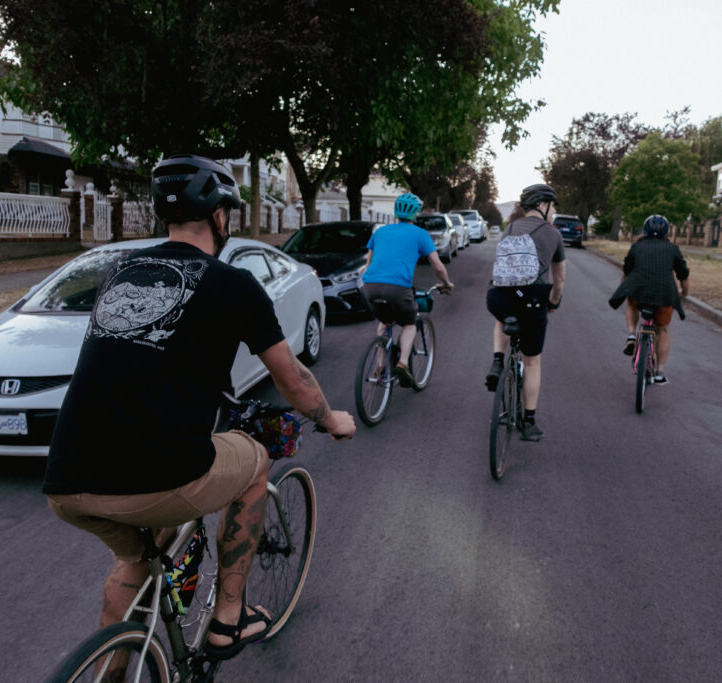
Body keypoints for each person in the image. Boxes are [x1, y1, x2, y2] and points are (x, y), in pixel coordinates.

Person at [42, 154, 355, 663]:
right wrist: (330, 418)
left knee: (137, 555)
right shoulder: (233, 284)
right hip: (154, 477)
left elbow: (139, 358)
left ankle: (114, 666)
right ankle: (228, 619)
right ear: (220, 216)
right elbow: (291, 377)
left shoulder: (121, 270)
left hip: (65, 479)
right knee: (254, 460)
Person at [485, 183, 566, 442]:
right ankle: (529, 422)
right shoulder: (553, 234)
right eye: (552, 206)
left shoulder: (509, 228)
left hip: (500, 296)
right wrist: (553, 302)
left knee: (501, 318)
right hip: (533, 300)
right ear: (542, 206)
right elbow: (560, 278)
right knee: (532, 361)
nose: (553, 211)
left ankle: (498, 360)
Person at [360, 192, 454, 387]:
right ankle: (403, 364)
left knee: (384, 323)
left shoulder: (380, 232)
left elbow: (367, 264)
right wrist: (446, 283)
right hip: (397, 288)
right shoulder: (420, 234)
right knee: (409, 324)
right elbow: (437, 267)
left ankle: (380, 364)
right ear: (416, 213)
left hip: (370, 286)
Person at [608, 214, 690, 384]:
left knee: (631, 302)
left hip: (638, 290)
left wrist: (625, 286)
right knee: (663, 330)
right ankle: (659, 373)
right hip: (664, 294)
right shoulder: (672, 249)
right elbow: (683, 274)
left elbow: (627, 270)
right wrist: (684, 293)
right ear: (667, 231)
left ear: (645, 230)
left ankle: (631, 334)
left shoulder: (637, 246)